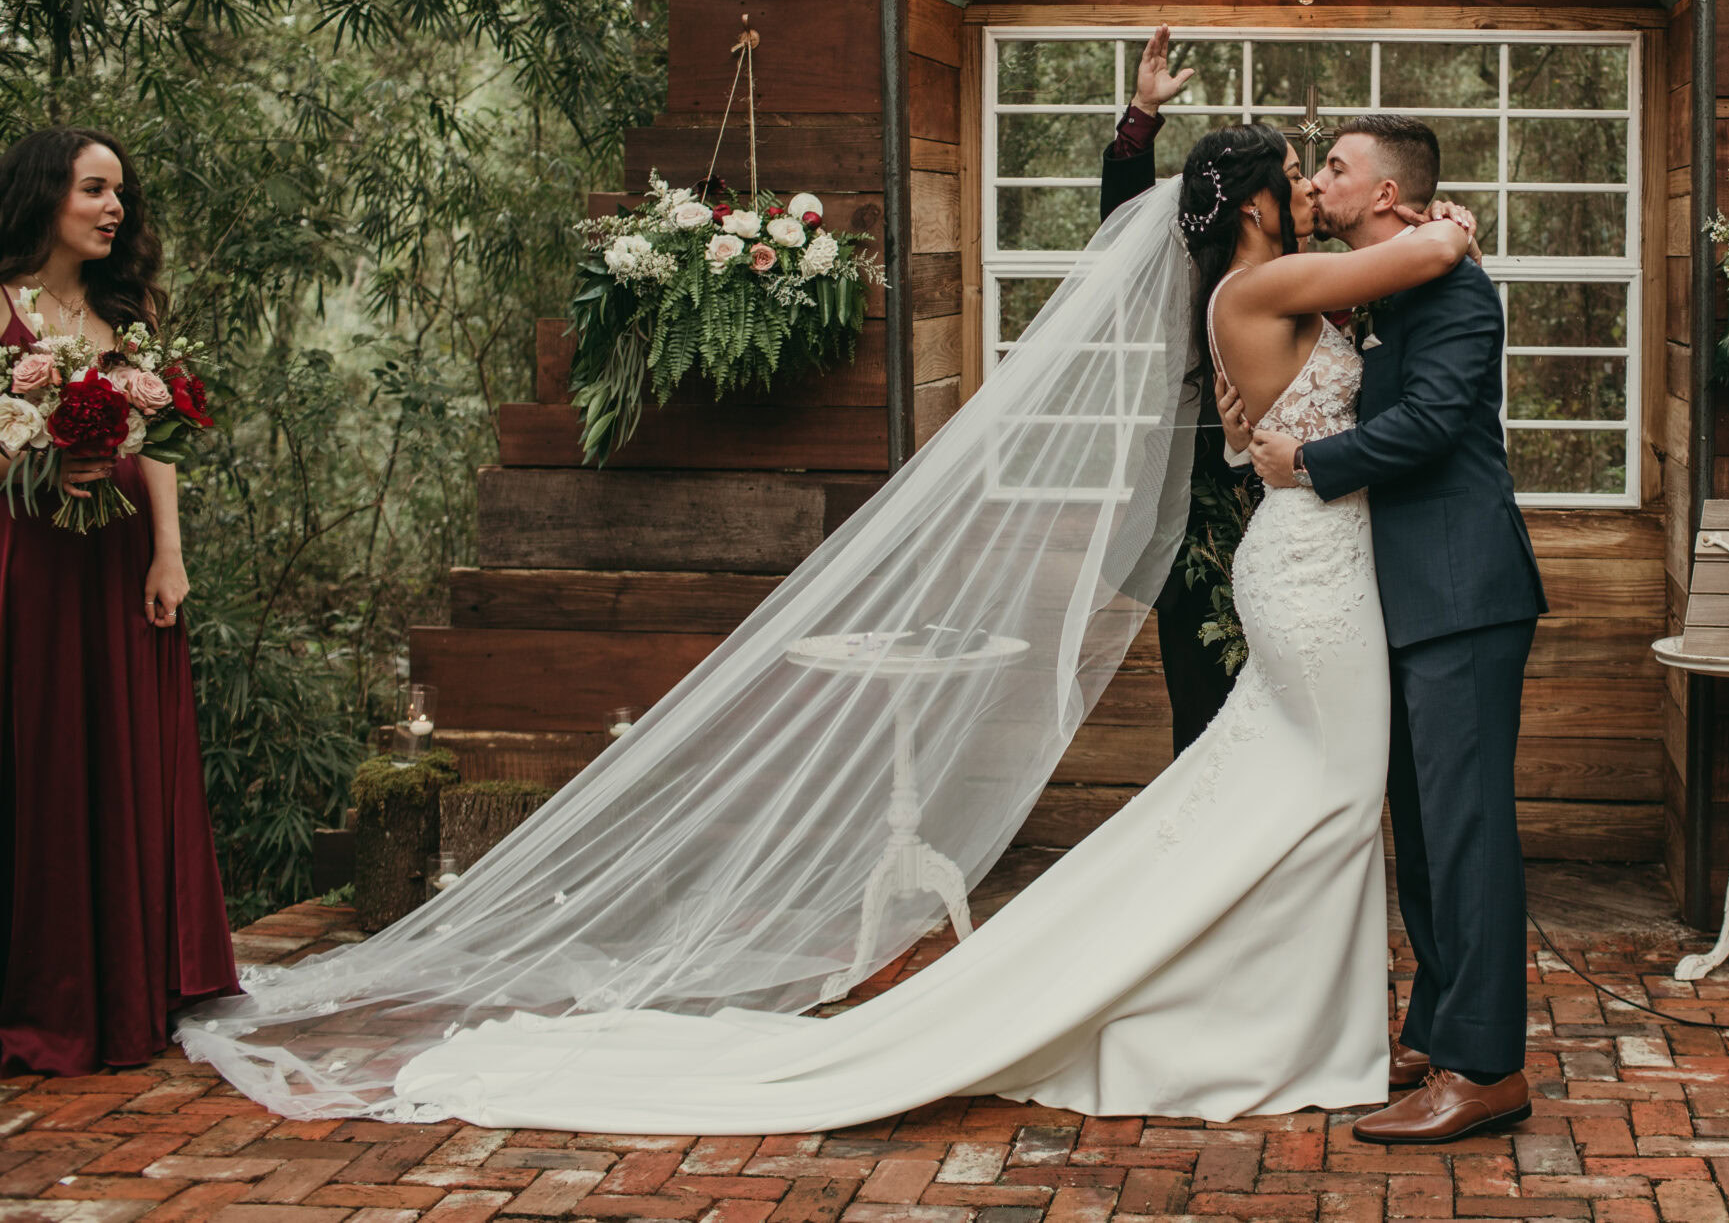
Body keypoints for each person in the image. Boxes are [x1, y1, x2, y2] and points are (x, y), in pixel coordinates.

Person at [195, 128, 1482, 1128]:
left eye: (1333, 170)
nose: (1317, 185)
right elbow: (1423, 260)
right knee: (1320, 792)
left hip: (1311, 561)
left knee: (1298, 792)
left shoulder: (1272, 286)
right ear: (1258, 204)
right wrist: (1449, 221)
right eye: (1303, 173)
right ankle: (1271, 1027)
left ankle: (1281, 1017)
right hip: (1307, 567)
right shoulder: (1270, 282)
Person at [1249, 115, 1548, 1145]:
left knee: (1465, 834)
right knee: (1422, 832)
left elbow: (1428, 424)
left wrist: (1309, 466)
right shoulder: (1389, 281)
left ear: (1386, 194)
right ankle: (1436, 1025)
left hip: (1463, 592)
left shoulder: (1457, 289)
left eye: (1335, 168)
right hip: (1404, 598)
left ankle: (1487, 1068)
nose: (1320, 182)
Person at [0, 127, 236, 1074]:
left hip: (122, 559)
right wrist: (44, 456)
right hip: (35, 562)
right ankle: (50, 987)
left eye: (120, 194)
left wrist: (169, 557)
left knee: (121, 753)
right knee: (46, 754)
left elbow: (161, 444)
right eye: (95, 190)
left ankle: (133, 980)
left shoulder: (124, 311)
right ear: (44, 195)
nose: (114, 209)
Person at [1101, 26, 1241, 751]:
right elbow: (1126, 231)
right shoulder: (1191, 276)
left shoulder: (1315, 268)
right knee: (1203, 719)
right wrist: (1141, 117)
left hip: (1303, 527)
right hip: (1196, 531)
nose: (1308, 183)